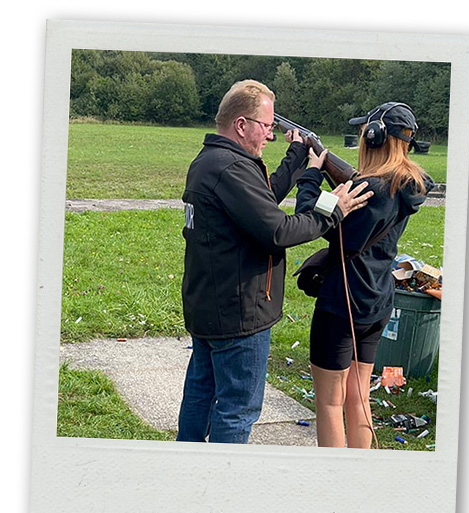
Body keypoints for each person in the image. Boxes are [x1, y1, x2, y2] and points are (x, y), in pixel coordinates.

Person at [176, 79, 372, 444]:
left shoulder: (214, 161)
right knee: (238, 409)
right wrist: (334, 208)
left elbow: (261, 202)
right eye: (266, 126)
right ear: (242, 125)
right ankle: (221, 487)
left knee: (202, 396)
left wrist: (301, 160)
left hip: (211, 306)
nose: (269, 135)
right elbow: (279, 230)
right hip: (240, 314)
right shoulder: (231, 169)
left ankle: (187, 472)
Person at [295, 102, 435, 448]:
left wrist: (312, 173)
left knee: (329, 403)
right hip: (377, 301)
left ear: (374, 136)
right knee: (357, 398)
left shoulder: (369, 191)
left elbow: (311, 219)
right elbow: (353, 209)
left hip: (342, 303)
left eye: (364, 132)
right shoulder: (403, 186)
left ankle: (336, 483)